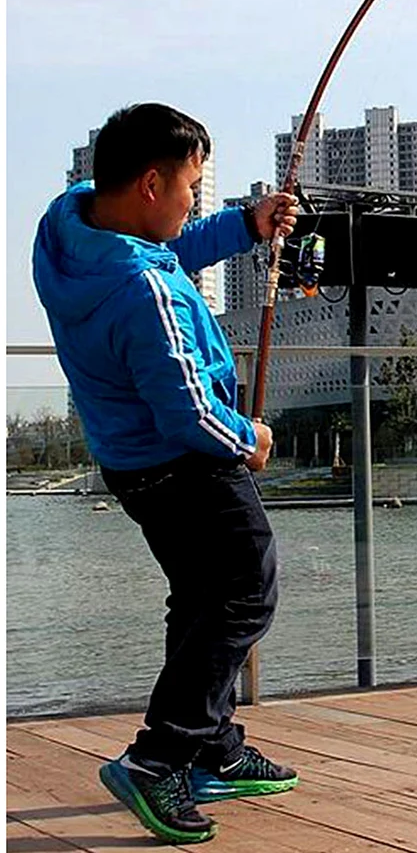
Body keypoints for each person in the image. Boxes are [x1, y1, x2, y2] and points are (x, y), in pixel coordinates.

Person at [33, 103, 300, 844]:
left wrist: (246, 225)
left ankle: (211, 747)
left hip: (130, 463)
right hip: (184, 463)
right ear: (151, 183)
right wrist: (249, 438)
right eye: (192, 188)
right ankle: (159, 757)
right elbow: (186, 410)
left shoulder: (67, 230)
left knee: (203, 596)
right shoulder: (140, 293)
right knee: (247, 589)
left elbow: (167, 248)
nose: (195, 202)